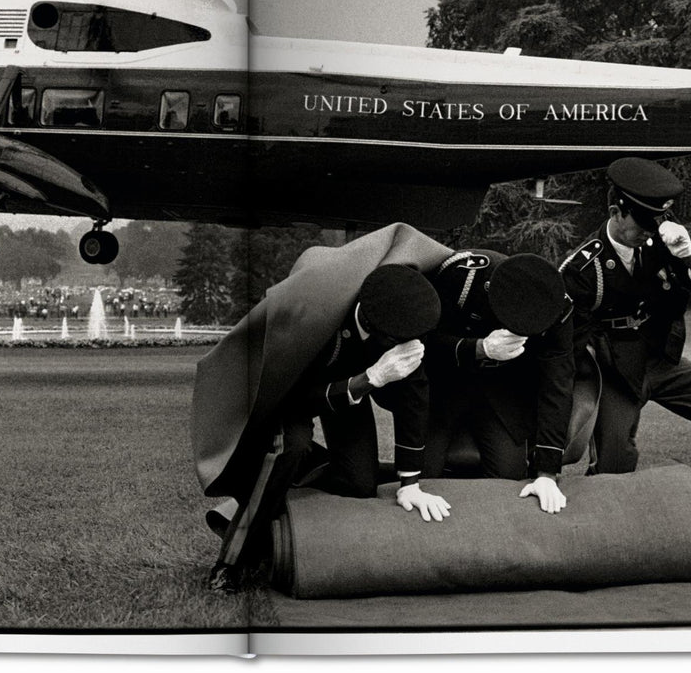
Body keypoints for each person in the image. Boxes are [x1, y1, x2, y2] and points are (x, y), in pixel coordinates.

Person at [202, 258, 452, 589]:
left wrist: (410, 485)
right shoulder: (317, 317)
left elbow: (415, 404)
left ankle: (275, 483)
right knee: (289, 448)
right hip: (286, 390)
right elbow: (293, 396)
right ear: (373, 321)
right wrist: (370, 379)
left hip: (350, 387)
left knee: (359, 483)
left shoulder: (401, 326)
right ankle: (231, 562)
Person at [560, 157, 691, 510]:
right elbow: (567, 341)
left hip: (662, 358)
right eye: (641, 224)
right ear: (616, 212)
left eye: (655, 223)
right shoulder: (583, 267)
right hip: (615, 369)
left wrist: (690, 258)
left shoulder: (665, 239)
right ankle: (607, 531)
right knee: (615, 461)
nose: (649, 232)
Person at [423, 251, 576, 514]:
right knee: (423, 474)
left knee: (510, 478)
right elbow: (424, 341)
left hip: (505, 390)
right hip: (447, 385)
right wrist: (478, 348)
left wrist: (547, 473)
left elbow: (557, 386)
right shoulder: (464, 277)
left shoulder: (557, 307)